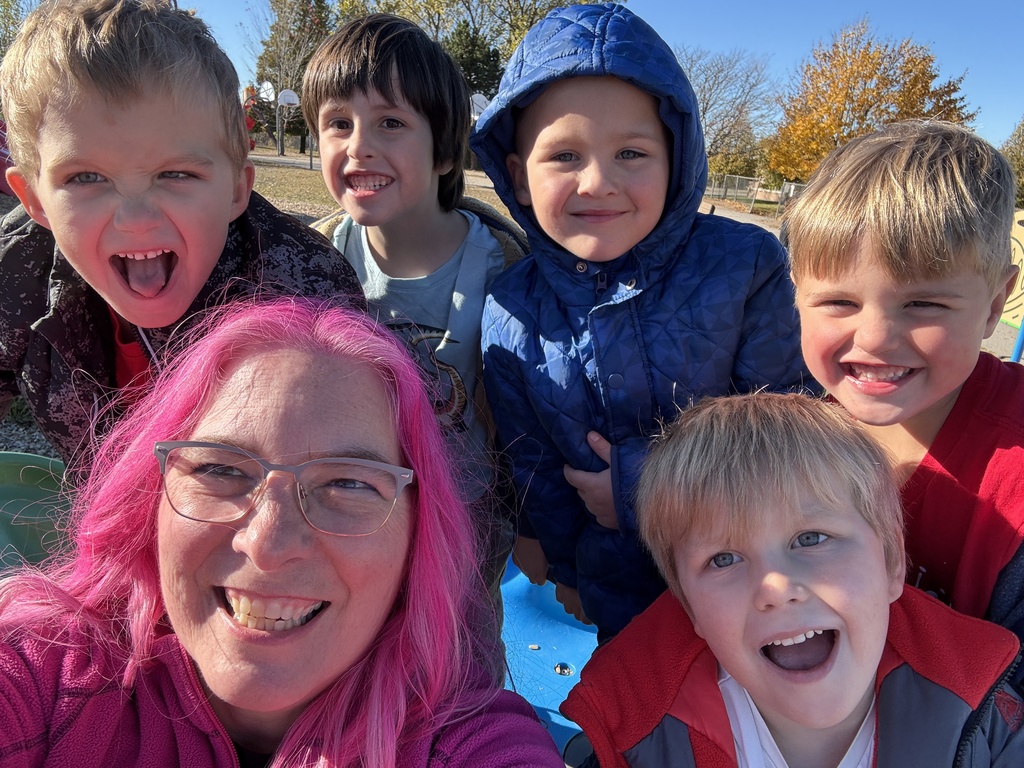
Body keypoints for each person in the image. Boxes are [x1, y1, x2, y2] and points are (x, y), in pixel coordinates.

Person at [0, 298, 565, 767]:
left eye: (348, 483)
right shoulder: (47, 675)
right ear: (148, 497)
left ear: (418, 536)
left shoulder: (465, 745)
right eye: (220, 469)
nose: (268, 546)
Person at [470, 2, 809, 638]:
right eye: (565, 156)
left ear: (676, 159)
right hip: (615, 585)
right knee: (636, 719)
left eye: (631, 152)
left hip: (753, 578)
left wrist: (638, 487)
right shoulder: (510, 305)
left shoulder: (747, 267)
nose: (598, 181)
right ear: (517, 178)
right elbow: (534, 460)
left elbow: (786, 430)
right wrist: (562, 561)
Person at [562, 392, 1024, 767]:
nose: (776, 588)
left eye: (811, 538)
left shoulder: (989, 720)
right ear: (690, 608)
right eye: (724, 559)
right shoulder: (637, 735)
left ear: (890, 564)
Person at [0, 0, 363, 467]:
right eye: (86, 178)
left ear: (237, 190)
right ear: (33, 200)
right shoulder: (16, 272)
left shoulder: (308, 292)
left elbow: (344, 472)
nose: (134, 217)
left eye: (176, 174)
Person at [302, 13, 527, 597]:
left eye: (391, 122)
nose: (359, 148)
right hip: (350, 520)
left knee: (461, 669)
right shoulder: (311, 264)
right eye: (338, 123)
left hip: (469, 523)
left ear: (445, 152)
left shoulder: (508, 268)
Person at [784, 120, 1024, 650]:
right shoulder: (797, 438)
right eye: (839, 302)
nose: (874, 339)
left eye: (923, 304)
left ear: (993, 304)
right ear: (798, 294)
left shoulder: (1013, 483)